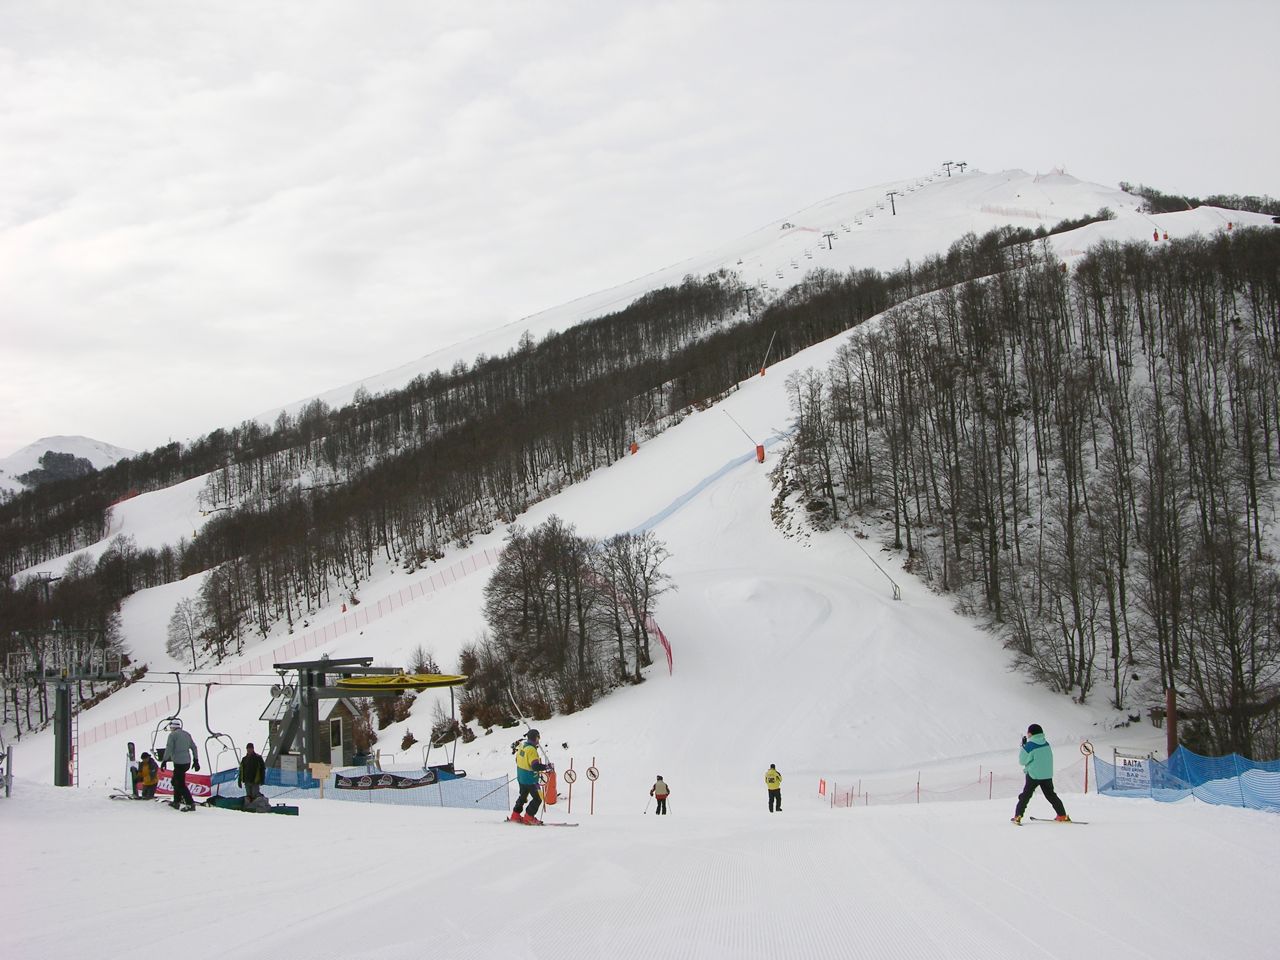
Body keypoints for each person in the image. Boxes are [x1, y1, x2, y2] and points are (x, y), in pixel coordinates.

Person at [1011, 723, 1070, 823]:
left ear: (1030, 734)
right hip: (1047, 775)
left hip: (1034, 775)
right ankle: (1062, 815)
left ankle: (1018, 816)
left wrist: (1023, 747)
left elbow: (1022, 761)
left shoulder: (1030, 745)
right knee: (1051, 795)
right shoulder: (1046, 743)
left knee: (1025, 796)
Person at [511, 728, 553, 825]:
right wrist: (547, 767)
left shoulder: (522, 747)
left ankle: (515, 815)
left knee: (523, 796)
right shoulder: (532, 750)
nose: (539, 740)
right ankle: (529, 817)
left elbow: (517, 760)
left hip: (521, 778)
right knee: (538, 798)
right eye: (538, 738)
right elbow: (535, 766)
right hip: (531, 780)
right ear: (536, 738)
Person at [161, 718, 200, 811]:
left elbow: (169, 748)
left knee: (180, 784)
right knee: (175, 781)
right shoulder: (187, 734)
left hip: (178, 762)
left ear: (172, 727)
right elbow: (194, 747)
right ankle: (176, 801)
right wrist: (196, 760)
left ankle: (190, 804)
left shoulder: (172, 735)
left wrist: (164, 760)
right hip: (187, 762)